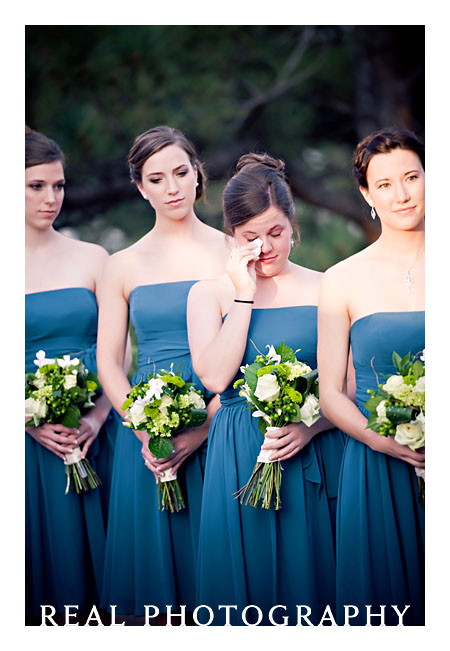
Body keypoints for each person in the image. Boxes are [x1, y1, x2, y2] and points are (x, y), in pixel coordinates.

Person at [187, 153, 346, 626]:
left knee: (313, 581)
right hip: (238, 449)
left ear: (293, 226)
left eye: (275, 233)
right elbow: (215, 378)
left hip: (310, 449)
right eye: (250, 237)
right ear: (232, 238)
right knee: (242, 587)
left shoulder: (328, 288)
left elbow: (347, 384)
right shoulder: (208, 294)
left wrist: (310, 428)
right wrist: (243, 294)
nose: (266, 248)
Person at [97, 125, 229, 620]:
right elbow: (110, 361)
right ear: (140, 187)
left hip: (222, 420)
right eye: (157, 178)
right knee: (153, 581)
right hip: (147, 438)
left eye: (181, 172)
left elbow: (250, 346)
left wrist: (207, 423)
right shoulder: (121, 265)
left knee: (217, 566)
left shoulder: (231, 250)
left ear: (197, 175)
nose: (172, 187)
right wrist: (142, 427)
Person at [317, 127, 425, 625]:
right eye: (385, 185)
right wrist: (388, 444)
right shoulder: (342, 279)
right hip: (376, 464)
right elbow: (331, 393)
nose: (401, 194)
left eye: (412, 178)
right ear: (367, 195)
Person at [25, 126, 121, 620]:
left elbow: (117, 351)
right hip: (24, 442)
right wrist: (30, 422)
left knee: (104, 569)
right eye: (36, 186)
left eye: (59, 185)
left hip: (97, 431)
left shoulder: (93, 258)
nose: (51, 198)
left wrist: (99, 417)